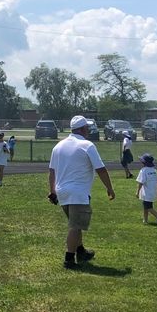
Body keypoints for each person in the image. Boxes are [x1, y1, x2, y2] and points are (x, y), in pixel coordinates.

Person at [48, 115, 115, 270]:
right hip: (78, 192)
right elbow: (101, 169)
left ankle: (81, 251)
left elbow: (51, 171)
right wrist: (109, 188)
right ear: (84, 129)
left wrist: (52, 192)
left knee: (75, 224)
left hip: (62, 191)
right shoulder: (87, 145)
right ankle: (69, 259)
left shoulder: (58, 146)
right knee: (75, 226)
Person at [135, 153, 157, 226]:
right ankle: (145, 220)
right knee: (146, 206)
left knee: (149, 207)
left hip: (147, 193)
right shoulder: (154, 170)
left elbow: (140, 183)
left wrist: (137, 192)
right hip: (153, 191)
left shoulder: (143, 171)